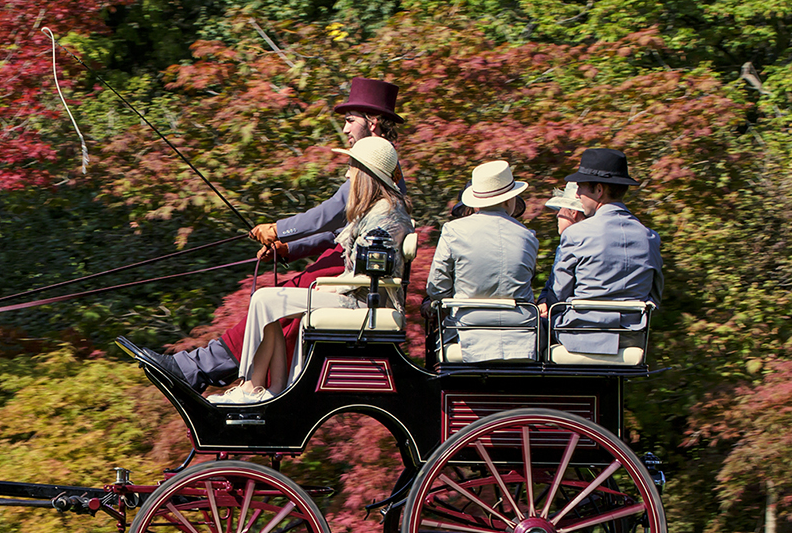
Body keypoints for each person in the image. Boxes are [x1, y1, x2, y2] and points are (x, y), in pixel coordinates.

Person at [134, 78, 406, 391]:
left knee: (273, 300)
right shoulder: (377, 164)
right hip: (341, 260)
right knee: (275, 300)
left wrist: (278, 228)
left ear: (371, 122)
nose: (345, 129)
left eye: (350, 120)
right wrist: (288, 248)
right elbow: (338, 230)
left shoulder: (377, 167)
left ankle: (205, 370)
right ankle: (227, 374)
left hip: (346, 272)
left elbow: (330, 213)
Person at [213, 136, 414, 403]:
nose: (347, 173)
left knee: (265, 298)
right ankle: (274, 389)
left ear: (366, 174)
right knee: (268, 302)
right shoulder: (378, 211)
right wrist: (288, 249)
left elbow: (369, 277)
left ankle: (252, 386)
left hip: (363, 305)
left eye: (352, 167)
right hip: (357, 297)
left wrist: (325, 285)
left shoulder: (384, 217)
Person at [539, 148, 663, 355]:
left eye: (580, 188)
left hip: (581, 335)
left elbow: (559, 294)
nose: (577, 195)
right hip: (632, 337)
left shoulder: (577, 234)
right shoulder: (649, 237)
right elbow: (655, 295)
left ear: (598, 190)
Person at [424, 160, 540, 362]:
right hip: (521, 333)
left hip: (468, 330)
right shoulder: (528, 237)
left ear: (476, 201)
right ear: (508, 201)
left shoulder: (453, 231)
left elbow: (437, 289)